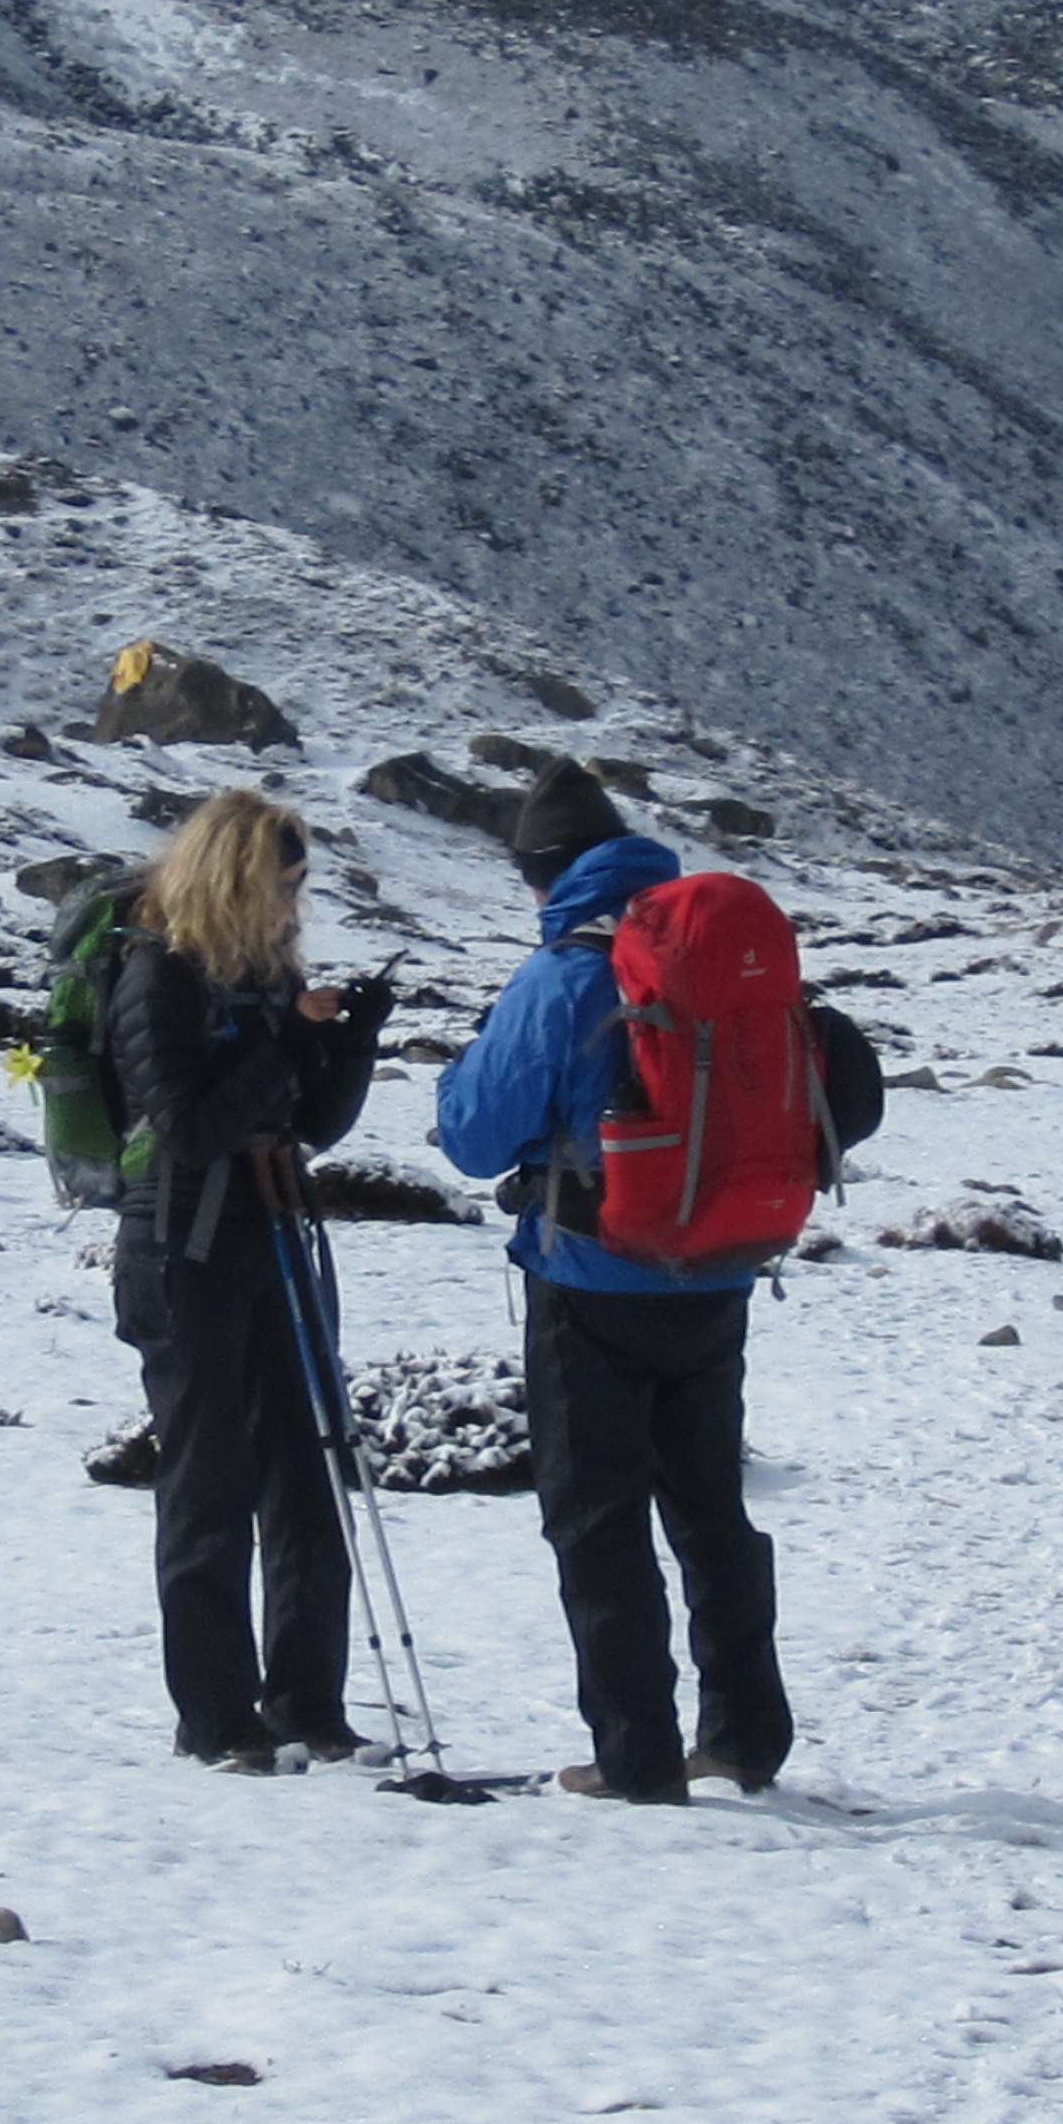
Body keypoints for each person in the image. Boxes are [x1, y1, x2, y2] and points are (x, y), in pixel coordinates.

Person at [433, 762, 793, 1805]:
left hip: (590, 1274)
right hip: (717, 1269)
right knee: (708, 1507)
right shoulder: (707, 946)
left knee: (596, 1519)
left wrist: (458, 1075)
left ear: (543, 873)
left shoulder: (566, 970)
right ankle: (744, 1734)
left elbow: (474, 1133)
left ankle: (634, 1755)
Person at [104, 787, 390, 1771]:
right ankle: (217, 1716)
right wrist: (284, 1045)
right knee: (207, 1478)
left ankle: (309, 1703)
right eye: (281, 887)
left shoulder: (265, 974)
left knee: (303, 1475)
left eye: (300, 889)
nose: (292, 907)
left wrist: (343, 1044)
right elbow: (188, 1130)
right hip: (181, 1245)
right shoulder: (156, 976)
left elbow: (304, 1125)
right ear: (232, 880)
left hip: (264, 1231)